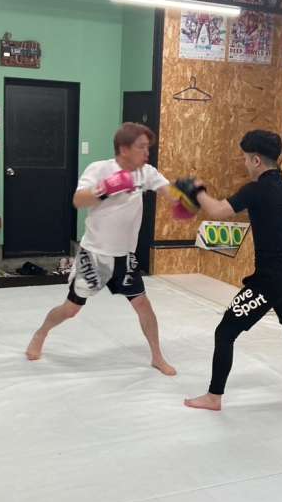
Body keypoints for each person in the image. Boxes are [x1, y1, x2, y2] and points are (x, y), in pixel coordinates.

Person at [182, 130, 282, 410]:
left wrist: (197, 191)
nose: (245, 164)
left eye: (246, 159)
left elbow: (218, 211)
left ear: (257, 160)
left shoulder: (255, 190)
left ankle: (214, 397)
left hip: (268, 282)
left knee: (225, 332)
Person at [26, 122, 177, 376]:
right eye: (141, 147)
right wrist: (107, 187)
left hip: (125, 256)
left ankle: (157, 356)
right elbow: (78, 200)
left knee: (143, 304)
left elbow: (169, 192)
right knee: (71, 309)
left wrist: (187, 196)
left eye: (147, 147)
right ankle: (41, 333)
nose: (147, 152)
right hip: (94, 255)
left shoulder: (146, 172)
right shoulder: (99, 169)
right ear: (124, 149)